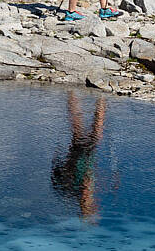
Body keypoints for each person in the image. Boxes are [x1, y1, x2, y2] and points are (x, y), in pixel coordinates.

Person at [51, 91, 106, 221]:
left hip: (83, 157)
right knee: (77, 129)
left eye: (94, 208)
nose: (97, 207)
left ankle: (101, 99)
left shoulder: (84, 194)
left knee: (95, 131)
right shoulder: (76, 193)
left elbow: (87, 179)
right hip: (77, 158)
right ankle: (73, 96)